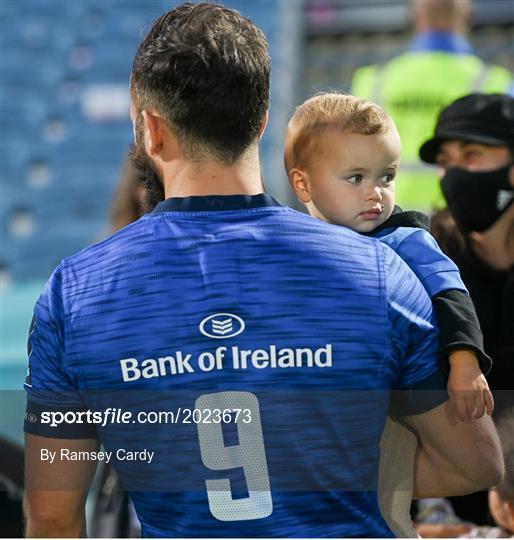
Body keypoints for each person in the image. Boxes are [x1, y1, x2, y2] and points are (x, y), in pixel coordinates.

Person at [22, 3, 503, 538]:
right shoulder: (379, 271)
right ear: (262, 120)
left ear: (151, 132)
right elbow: (475, 463)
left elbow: (52, 518)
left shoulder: (76, 292)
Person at [283, 92, 494, 535]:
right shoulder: (293, 247)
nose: (376, 194)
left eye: (387, 176)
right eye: (355, 177)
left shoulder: (405, 239)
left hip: (406, 403)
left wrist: (464, 362)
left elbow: (451, 294)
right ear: (303, 185)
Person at [419, 92, 514, 524]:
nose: (454, 173)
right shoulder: (424, 263)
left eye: (473, 155)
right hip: (441, 510)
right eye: (446, 159)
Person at [351, 0, 512, 213]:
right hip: (462, 222)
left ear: (414, 15)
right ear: (468, 14)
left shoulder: (372, 81)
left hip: (382, 221)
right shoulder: (497, 82)